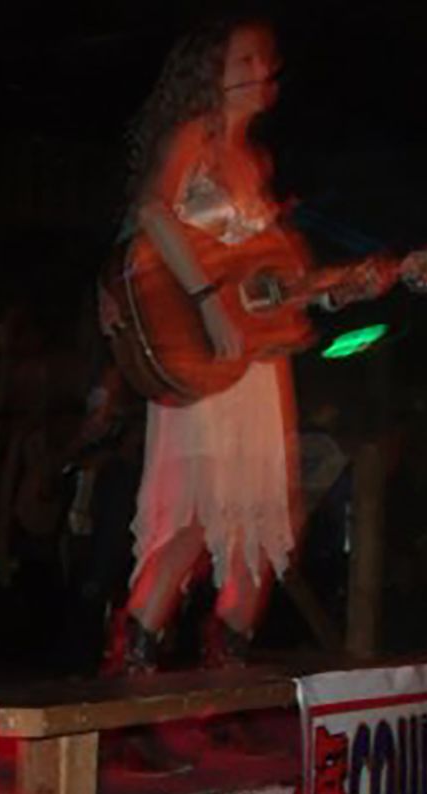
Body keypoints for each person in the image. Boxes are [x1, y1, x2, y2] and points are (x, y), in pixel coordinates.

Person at [108, 15, 332, 675]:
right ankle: (131, 682)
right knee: (197, 517)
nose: (264, 68)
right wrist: (206, 299)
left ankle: (225, 676)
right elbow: (152, 212)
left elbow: (272, 282)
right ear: (212, 72)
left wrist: (345, 284)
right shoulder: (194, 140)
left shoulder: (255, 163)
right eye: (246, 58)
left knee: (266, 521)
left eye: (267, 57)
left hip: (258, 361)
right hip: (203, 352)